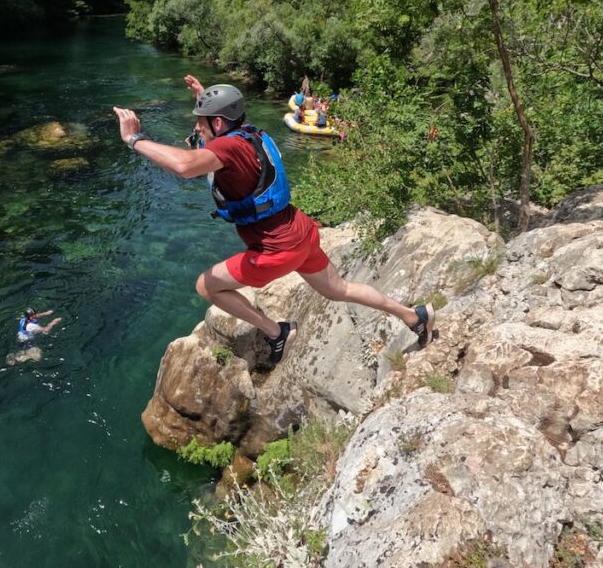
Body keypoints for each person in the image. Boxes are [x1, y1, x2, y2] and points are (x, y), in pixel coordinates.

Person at [111, 77, 435, 368]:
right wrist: (202, 98)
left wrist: (134, 138)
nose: (195, 129)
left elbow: (183, 165)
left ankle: (276, 331)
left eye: (200, 123)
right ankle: (413, 316)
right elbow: (213, 146)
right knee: (340, 289)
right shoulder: (248, 135)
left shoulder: (228, 146)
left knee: (206, 285)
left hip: (276, 247)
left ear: (219, 123)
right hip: (300, 229)